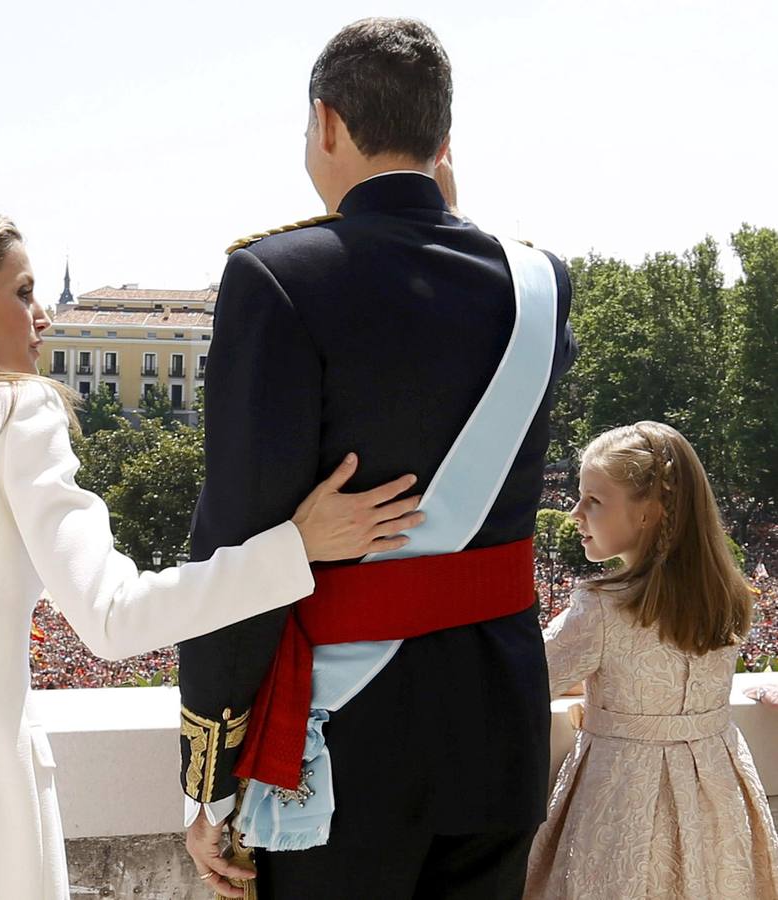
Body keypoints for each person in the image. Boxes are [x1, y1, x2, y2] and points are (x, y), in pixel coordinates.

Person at [0, 201, 425, 900]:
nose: (43, 315)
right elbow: (113, 618)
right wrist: (296, 547)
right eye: (22, 293)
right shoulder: (15, 413)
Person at [176, 18, 577, 899]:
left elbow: (236, 538)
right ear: (443, 141)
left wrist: (211, 769)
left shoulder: (275, 277)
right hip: (499, 726)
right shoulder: (541, 282)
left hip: (344, 749)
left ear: (326, 122)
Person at [525, 422, 778, 898]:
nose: (574, 513)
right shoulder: (729, 599)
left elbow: (526, 681)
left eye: (593, 501)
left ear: (649, 513)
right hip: (717, 794)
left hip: (624, 799)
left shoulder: (601, 608)